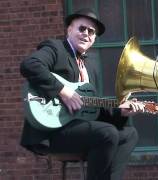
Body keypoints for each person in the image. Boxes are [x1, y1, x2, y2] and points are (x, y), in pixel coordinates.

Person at [20, 8, 148, 180]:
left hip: (78, 128)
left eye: (91, 31)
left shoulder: (89, 68)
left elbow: (92, 111)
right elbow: (30, 65)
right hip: (51, 131)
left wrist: (121, 112)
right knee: (107, 133)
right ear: (69, 30)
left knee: (129, 134)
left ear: (94, 38)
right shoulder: (56, 48)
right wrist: (63, 90)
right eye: (82, 28)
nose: (86, 34)